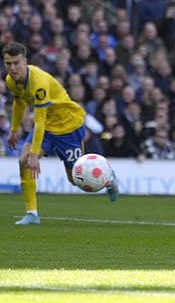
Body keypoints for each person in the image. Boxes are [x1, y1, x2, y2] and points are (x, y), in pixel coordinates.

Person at [2, 42, 119, 226]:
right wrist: (14, 129)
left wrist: (35, 154)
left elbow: (39, 120)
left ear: (24, 61)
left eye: (16, 63)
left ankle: (108, 179)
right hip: (47, 126)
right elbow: (19, 103)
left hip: (68, 126)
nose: (12, 68)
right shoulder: (10, 80)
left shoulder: (38, 83)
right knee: (23, 161)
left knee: (76, 180)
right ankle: (32, 214)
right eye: (8, 63)